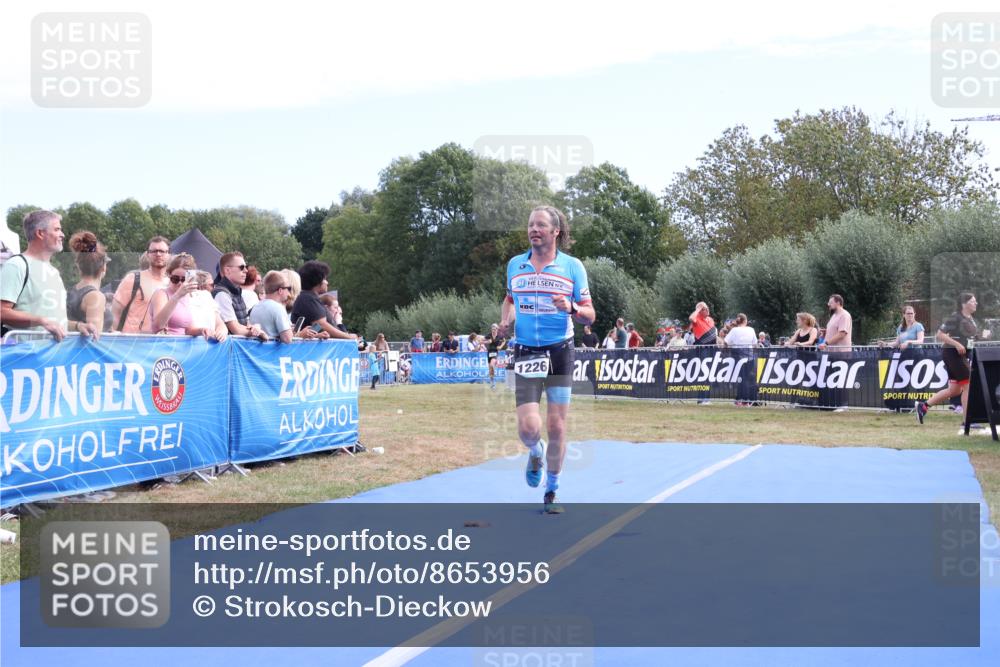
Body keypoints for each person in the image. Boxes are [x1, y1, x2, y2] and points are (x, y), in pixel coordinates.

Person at [499, 205, 594, 514]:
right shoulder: (515, 265)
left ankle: (552, 490)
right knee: (528, 429)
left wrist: (571, 308)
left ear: (556, 231)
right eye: (530, 225)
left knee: (556, 425)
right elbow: (510, 299)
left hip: (559, 351)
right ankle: (535, 451)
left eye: (540, 225)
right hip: (526, 350)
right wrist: (504, 322)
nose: (533, 230)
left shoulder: (572, 267)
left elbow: (590, 313)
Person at [1, 210, 98, 340]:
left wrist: (78, 326)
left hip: (53, 357)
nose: (62, 235)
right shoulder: (17, 265)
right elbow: (2, 312)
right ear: (40, 233)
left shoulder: (54, 272)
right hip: (25, 356)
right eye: (57, 229)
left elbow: (53, 323)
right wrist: (41, 320)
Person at [916, 292, 992, 424]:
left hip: (960, 355)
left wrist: (986, 334)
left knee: (955, 390)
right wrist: (956, 344)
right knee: (968, 385)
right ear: (964, 303)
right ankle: (968, 421)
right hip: (952, 354)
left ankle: (923, 406)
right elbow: (940, 335)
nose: (976, 303)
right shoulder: (955, 317)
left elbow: (974, 337)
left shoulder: (970, 319)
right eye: (973, 301)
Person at [147, 254, 227, 340]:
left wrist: (202, 330)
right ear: (169, 275)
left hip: (181, 347)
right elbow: (157, 326)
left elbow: (188, 329)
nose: (180, 283)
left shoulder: (187, 297)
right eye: (175, 279)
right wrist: (177, 296)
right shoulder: (161, 293)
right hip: (164, 346)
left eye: (184, 279)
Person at [112, 235, 171, 333]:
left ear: (168, 254)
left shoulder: (173, 282)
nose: (158, 254)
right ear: (147, 254)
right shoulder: (133, 279)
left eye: (162, 251)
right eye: (154, 251)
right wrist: (111, 338)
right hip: (133, 342)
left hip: (162, 342)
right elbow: (115, 312)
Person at [290, 260, 357, 340]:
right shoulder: (308, 298)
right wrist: (348, 337)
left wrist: (316, 335)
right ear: (317, 281)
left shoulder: (308, 298)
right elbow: (321, 324)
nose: (327, 282)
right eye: (325, 279)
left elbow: (316, 327)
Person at [250, 270, 322, 343]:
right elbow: (287, 339)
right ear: (280, 290)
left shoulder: (256, 307)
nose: (289, 293)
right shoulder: (278, 308)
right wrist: (301, 334)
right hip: (275, 353)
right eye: (289, 288)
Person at [213, 252, 267, 340]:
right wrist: (258, 332)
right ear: (227, 270)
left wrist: (253, 327)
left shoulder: (236, 292)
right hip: (228, 350)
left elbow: (243, 323)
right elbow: (236, 329)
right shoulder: (221, 294)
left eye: (245, 267)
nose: (246, 270)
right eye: (241, 267)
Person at [66, 231, 112, 333]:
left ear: (79, 267)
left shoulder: (70, 292)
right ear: (103, 267)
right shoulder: (95, 296)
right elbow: (93, 338)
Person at [819, 295, 852, 411]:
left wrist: (826, 342)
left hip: (841, 352)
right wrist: (825, 334)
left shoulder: (844, 315)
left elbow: (842, 334)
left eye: (830, 302)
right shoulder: (834, 316)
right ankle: (834, 403)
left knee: (841, 378)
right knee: (832, 379)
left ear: (838, 302)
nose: (828, 304)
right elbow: (834, 331)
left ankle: (843, 405)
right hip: (831, 353)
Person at [485, 323, 508, 389]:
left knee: (492, 365)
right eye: (492, 329)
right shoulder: (489, 335)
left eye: (494, 329)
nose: (493, 330)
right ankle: (492, 383)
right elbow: (483, 339)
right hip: (489, 353)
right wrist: (483, 342)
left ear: (497, 329)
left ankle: (494, 383)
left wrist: (500, 346)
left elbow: (504, 341)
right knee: (490, 369)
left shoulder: (500, 336)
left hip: (495, 352)